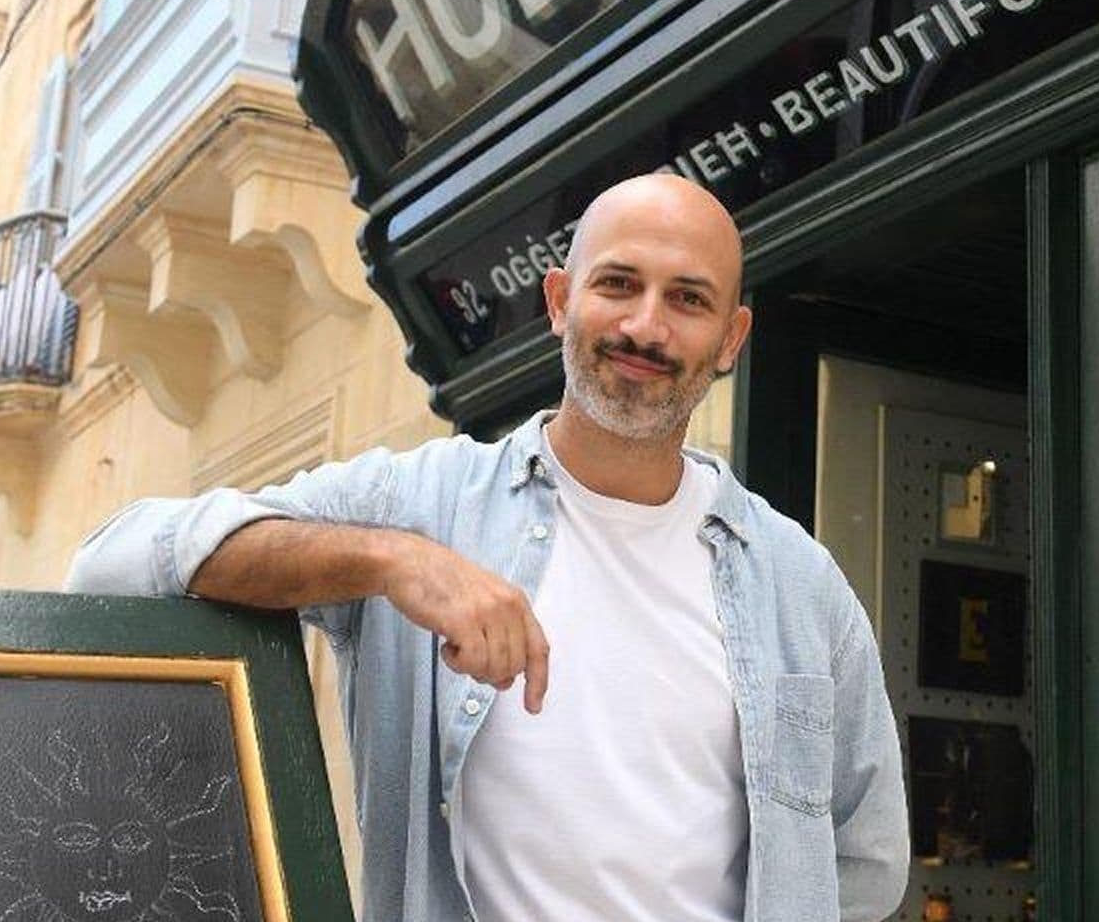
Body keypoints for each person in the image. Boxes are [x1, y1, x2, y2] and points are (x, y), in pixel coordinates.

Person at [65, 173, 910, 922]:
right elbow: (113, 561)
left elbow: (867, 865)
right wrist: (394, 562)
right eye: (618, 284)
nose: (646, 325)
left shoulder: (801, 583)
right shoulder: (420, 505)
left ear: (730, 339)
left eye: (688, 299)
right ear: (559, 301)